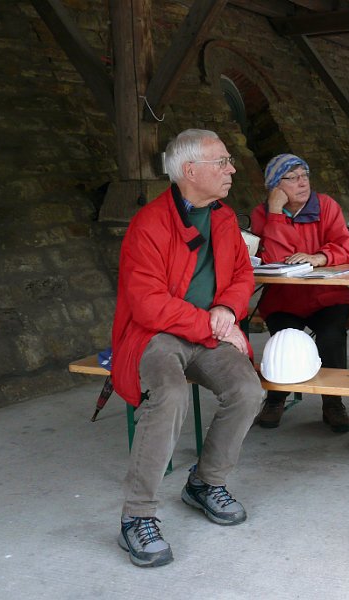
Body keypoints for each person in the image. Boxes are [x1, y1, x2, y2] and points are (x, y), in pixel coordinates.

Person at [111, 129, 263, 568]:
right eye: (223, 162)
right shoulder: (149, 225)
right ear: (189, 170)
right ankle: (136, 516)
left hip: (209, 331)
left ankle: (204, 482)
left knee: (248, 391)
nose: (231, 169)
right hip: (156, 335)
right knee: (170, 396)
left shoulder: (223, 218)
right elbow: (147, 304)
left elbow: (241, 277)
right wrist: (209, 323)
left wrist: (226, 311)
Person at [250, 154, 349, 431]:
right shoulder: (263, 214)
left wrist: (321, 256)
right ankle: (276, 399)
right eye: (293, 177)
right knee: (285, 340)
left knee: (331, 336)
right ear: (275, 186)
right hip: (284, 300)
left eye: (305, 176)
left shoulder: (326, 206)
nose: (302, 182)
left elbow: (346, 249)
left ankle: (333, 402)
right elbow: (275, 257)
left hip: (328, 296)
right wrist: (275, 214)